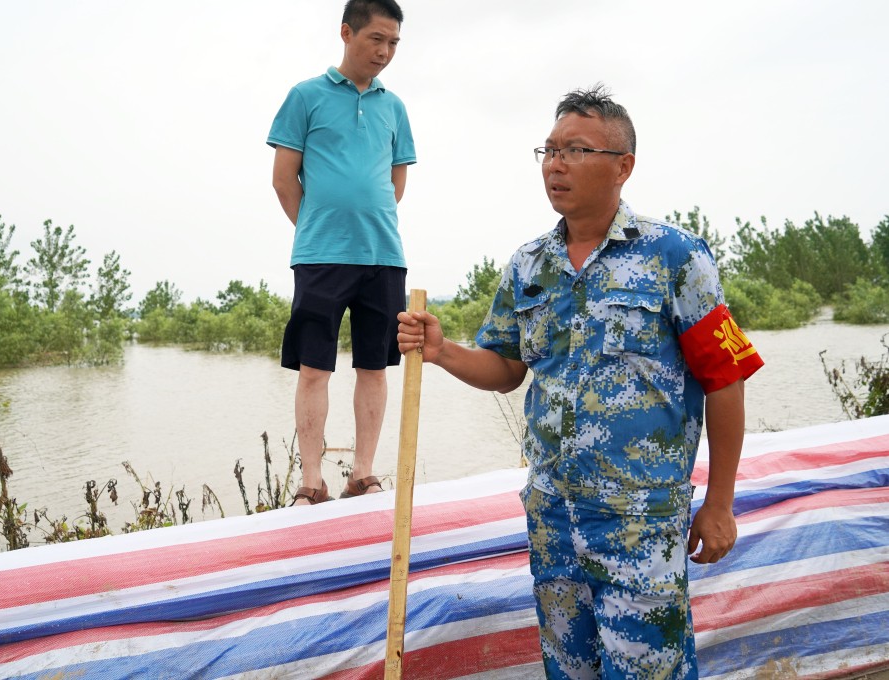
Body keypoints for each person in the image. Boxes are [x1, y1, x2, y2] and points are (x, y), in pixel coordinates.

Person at [397, 85, 763, 677]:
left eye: (575, 150)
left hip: (639, 519)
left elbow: (726, 380)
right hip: (554, 516)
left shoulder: (674, 256)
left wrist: (720, 503)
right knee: (570, 670)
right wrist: (443, 352)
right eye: (548, 149)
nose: (555, 163)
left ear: (623, 167)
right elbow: (507, 370)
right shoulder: (529, 265)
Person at [267, 0, 415, 506]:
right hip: (321, 257)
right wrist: (318, 230)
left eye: (394, 42)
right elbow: (284, 179)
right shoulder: (305, 96)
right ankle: (311, 481)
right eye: (376, 38)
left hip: (383, 255)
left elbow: (396, 183)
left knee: (375, 366)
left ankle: (363, 473)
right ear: (347, 32)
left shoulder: (393, 107)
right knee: (314, 368)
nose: (385, 51)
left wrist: (361, 224)